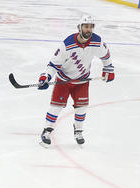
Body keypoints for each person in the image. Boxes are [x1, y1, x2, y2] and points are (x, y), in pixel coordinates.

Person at [37, 14, 114, 147]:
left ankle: (78, 130)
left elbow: (105, 55)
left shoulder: (97, 41)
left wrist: (109, 68)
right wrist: (46, 77)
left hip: (82, 81)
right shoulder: (67, 44)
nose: (89, 30)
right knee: (56, 106)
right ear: (79, 27)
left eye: (91, 27)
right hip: (64, 80)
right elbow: (54, 64)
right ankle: (47, 131)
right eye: (86, 27)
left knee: (82, 107)